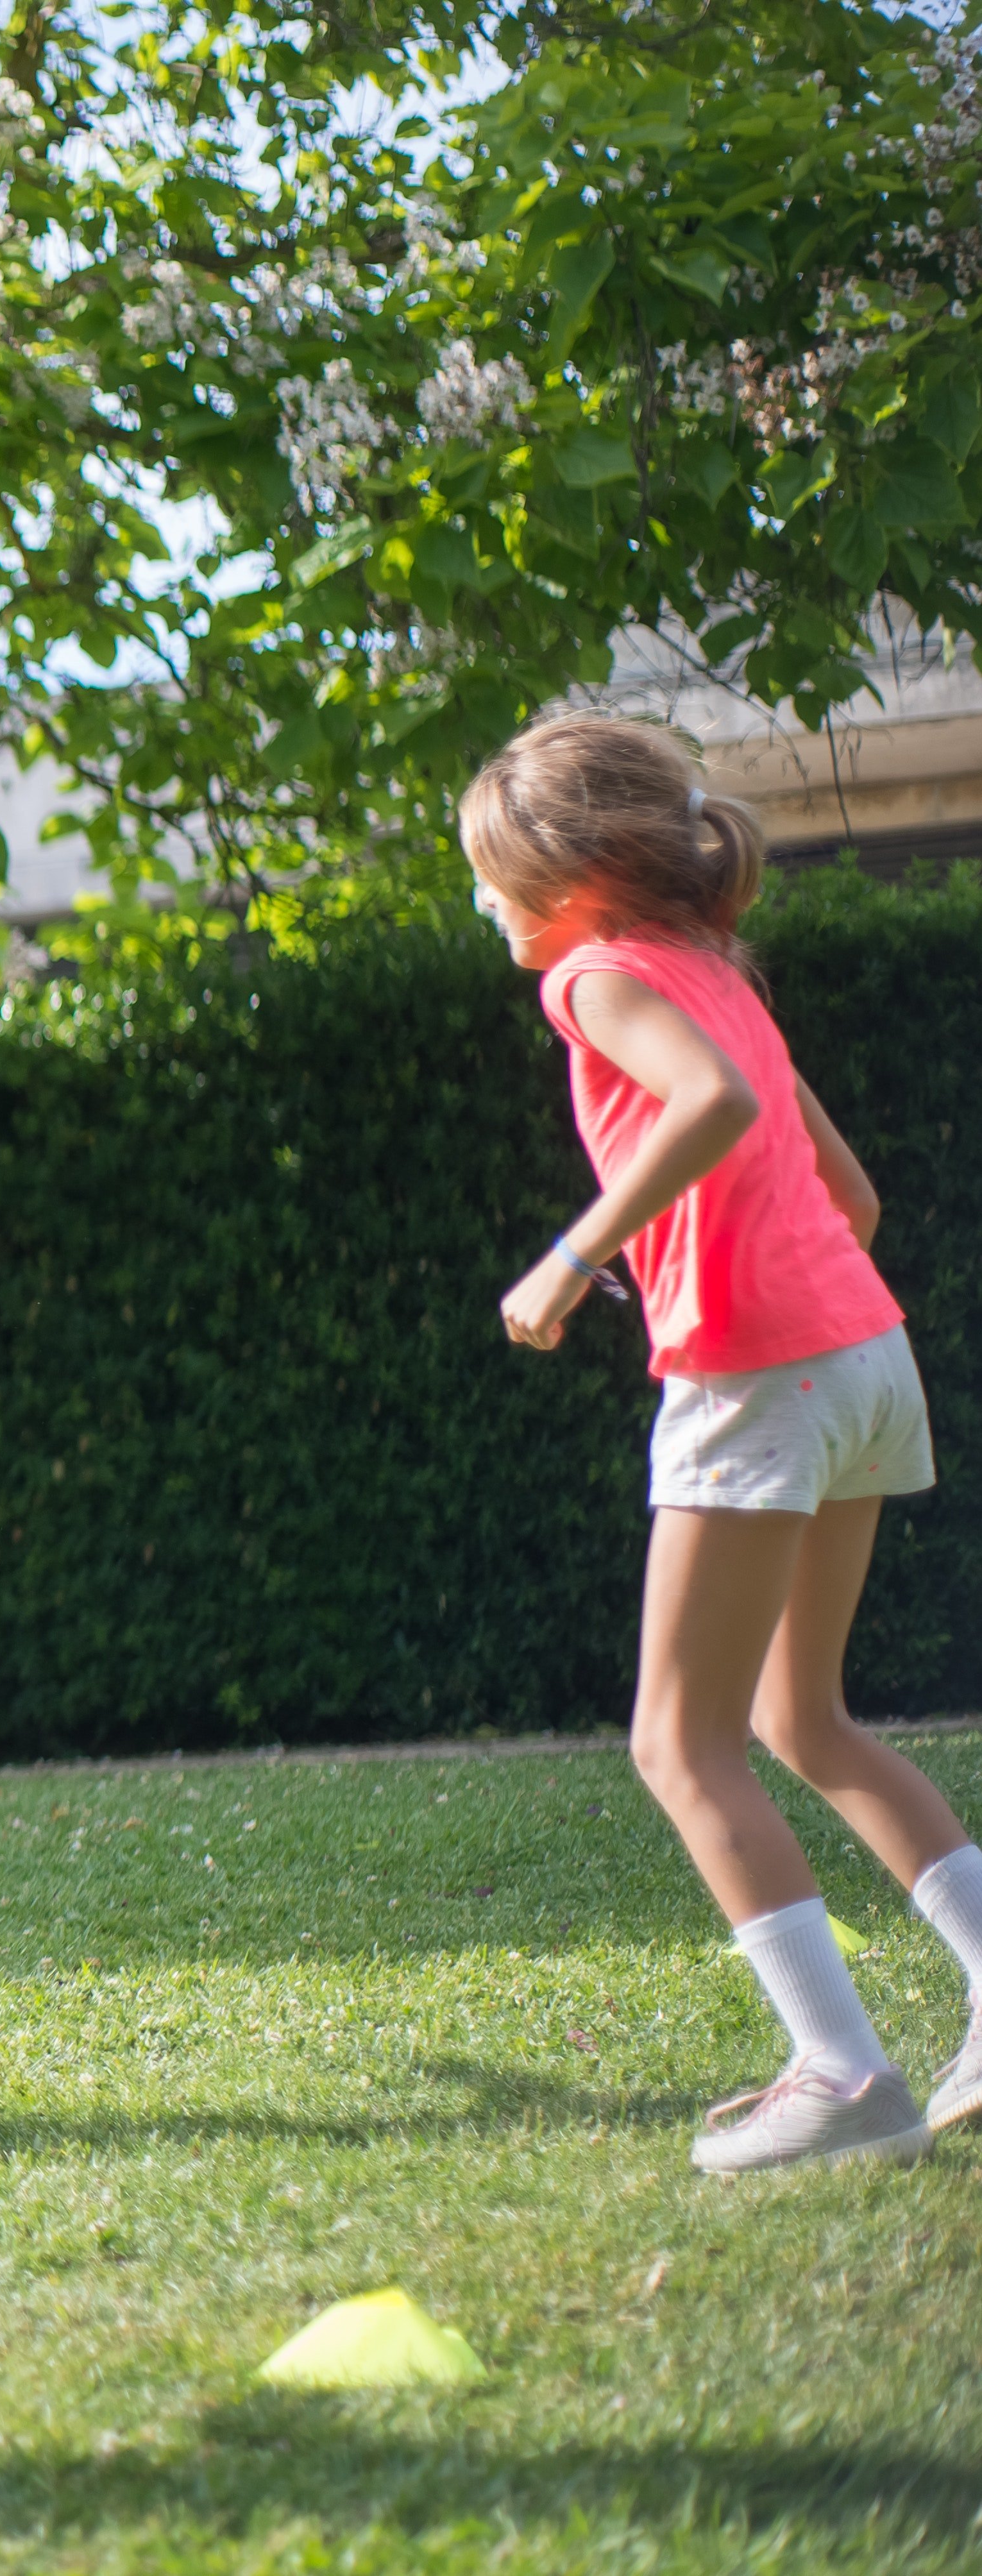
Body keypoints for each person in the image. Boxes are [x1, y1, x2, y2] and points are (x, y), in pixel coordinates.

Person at [470, 711, 982, 2174]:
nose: (486, 908)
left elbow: (709, 1107)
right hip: (862, 1354)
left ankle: (841, 2074)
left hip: (757, 1375)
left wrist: (573, 1257)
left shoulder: (593, 976)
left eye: (494, 876)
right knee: (799, 1722)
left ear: (573, 875)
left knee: (677, 1740)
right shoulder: (716, 975)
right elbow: (853, 1200)